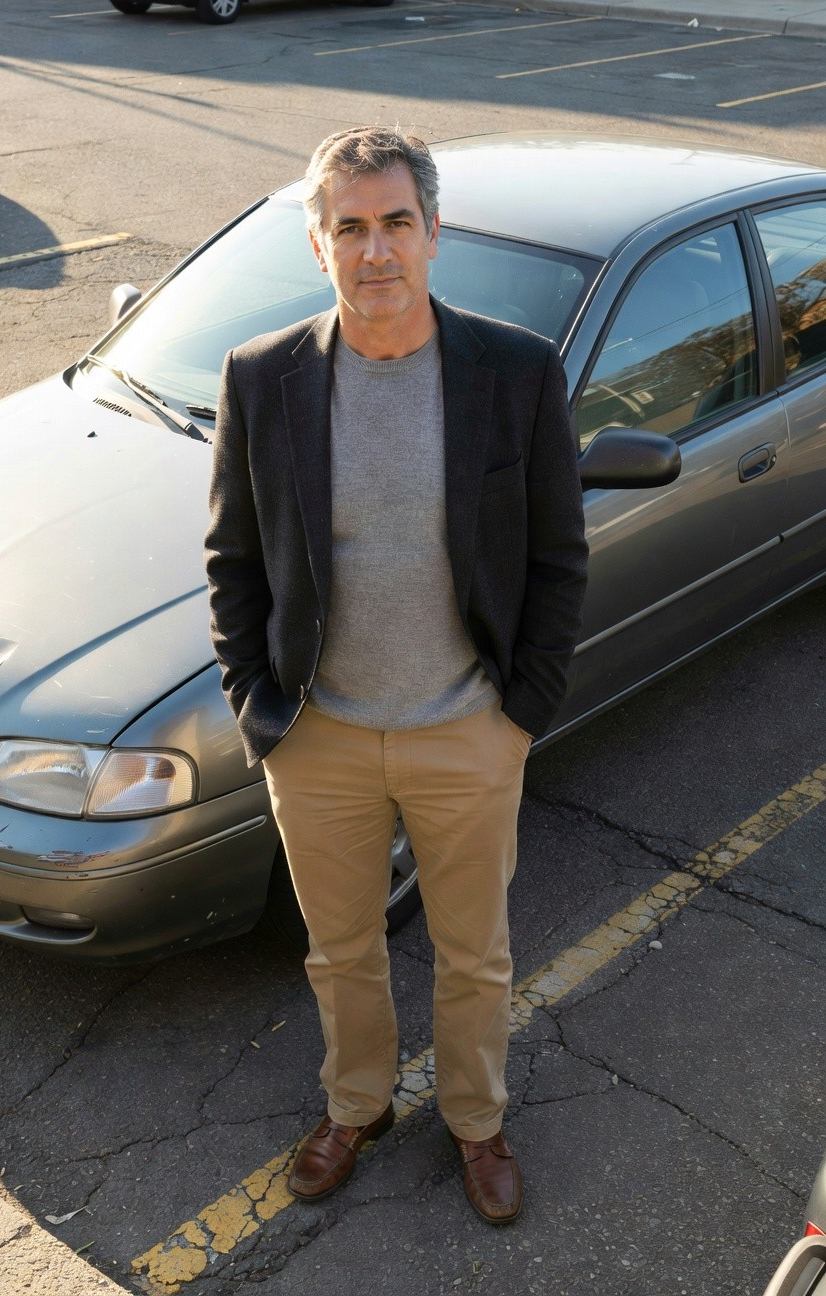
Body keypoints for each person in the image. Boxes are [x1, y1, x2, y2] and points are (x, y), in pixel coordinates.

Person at [205, 126, 588, 1223]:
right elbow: (234, 561)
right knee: (341, 949)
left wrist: (520, 717)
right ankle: (357, 1103)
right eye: (350, 228)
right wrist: (260, 710)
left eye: (396, 224)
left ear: (434, 235)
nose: (376, 251)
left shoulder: (514, 371)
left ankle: (476, 1122)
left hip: (466, 727)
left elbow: (560, 558)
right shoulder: (262, 378)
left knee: (475, 957)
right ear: (318, 245)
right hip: (317, 735)